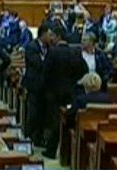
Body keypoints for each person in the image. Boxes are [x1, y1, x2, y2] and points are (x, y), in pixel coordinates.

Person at [43, 27, 88, 159]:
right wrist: (73, 81)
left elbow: (45, 73)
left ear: (58, 37)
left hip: (53, 93)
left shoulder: (52, 52)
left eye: (53, 36)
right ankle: (66, 153)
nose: (51, 38)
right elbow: (84, 70)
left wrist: (47, 88)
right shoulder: (74, 52)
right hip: (70, 92)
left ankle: (51, 150)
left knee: (54, 122)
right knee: (68, 120)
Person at [23, 24, 52, 146]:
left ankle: (38, 139)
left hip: (46, 86)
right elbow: (38, 64)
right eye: (49, 34)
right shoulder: (31, 46)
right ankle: (28, 138)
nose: (50, 37)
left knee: (43, 114)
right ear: (43, 34)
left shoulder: (50, 47)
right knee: (33, 113)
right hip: (34, 85)